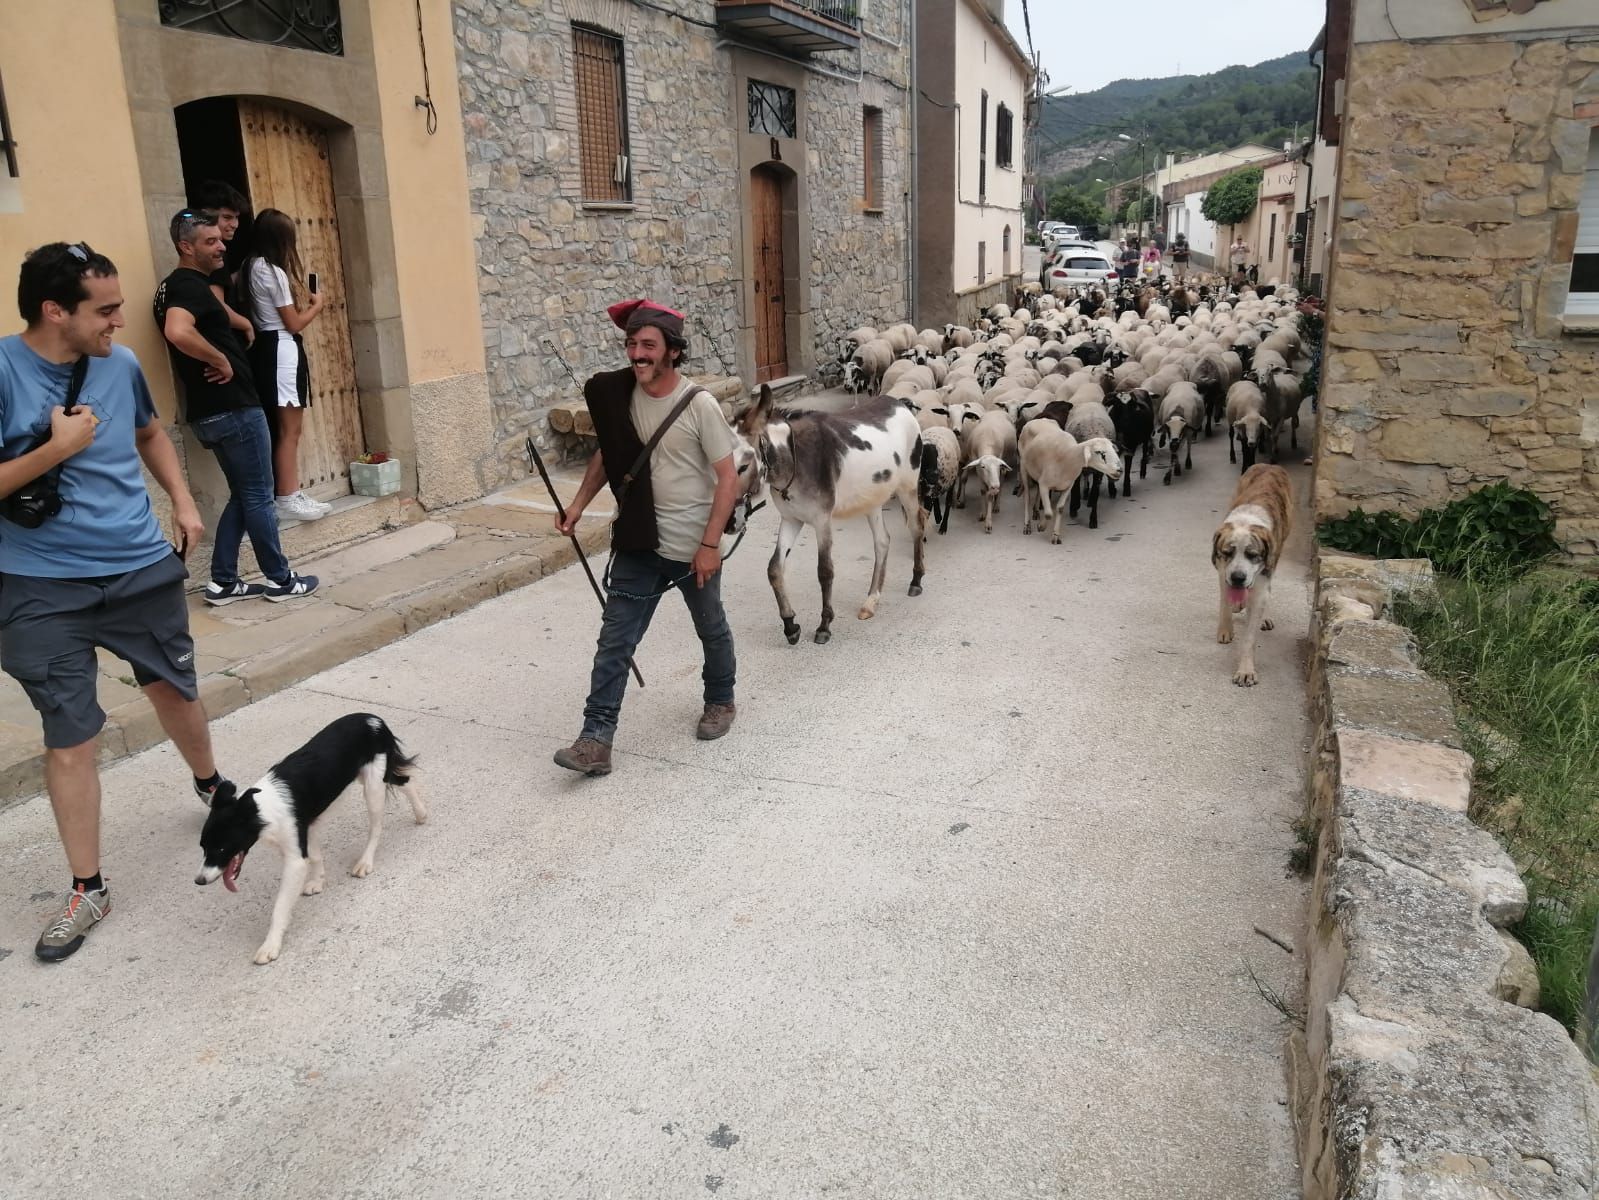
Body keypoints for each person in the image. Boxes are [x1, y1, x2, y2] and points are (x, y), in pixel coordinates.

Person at [1, 242, 233, 961]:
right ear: (53, 310)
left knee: (173, 686)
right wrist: (55, 449)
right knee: (69, 736)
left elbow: (147, 432)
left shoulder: (121, 365)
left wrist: (185, 501)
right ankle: (88, 887)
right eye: (104, 310)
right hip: (38, 587)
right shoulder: (3, 371)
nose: (119, 321)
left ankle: (210, 785)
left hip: (138, 568)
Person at [552, 299, 740, 776]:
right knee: (615, 640)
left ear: (672, 352)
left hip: (692, 548)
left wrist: (710, 545)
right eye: (632, 344)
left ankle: (720, 699)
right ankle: (596, 738)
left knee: (710, 627)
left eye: (648, 345)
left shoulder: (700, 405)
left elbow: (728, 478)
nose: (637, 353)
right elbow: (610, 457)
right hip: (639, 541)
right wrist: (577, 505)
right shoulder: (621, 396)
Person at [155, 209, 318, 604]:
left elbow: (207, 311)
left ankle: (223, 582)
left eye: (220, 239)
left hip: (212, 412)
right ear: (185, 246)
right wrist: (220, 359)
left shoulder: (175, 286)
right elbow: (178, 330)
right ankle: (280, 579)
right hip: (234, 408)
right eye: (210, 241)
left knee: (243, 495)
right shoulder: (187, 285)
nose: (221, 246)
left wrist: (242, 323)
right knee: (260, 496)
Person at [242, 208, 330, 522]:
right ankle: (288, 496)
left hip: (265, 349)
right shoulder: (273, 271)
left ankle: (288, 492)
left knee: (281, 428)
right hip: (282, 348)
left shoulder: (249, 267)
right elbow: (292, 323)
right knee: (290, 429)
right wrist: (316, 306)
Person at [191, 179, 254, 354]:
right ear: (205, 215)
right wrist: (246, 324)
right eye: (227, 217)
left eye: (236, 218)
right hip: (224, 345)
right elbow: (215, 304)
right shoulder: (217, 253)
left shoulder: (197, 250)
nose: (234, 224)